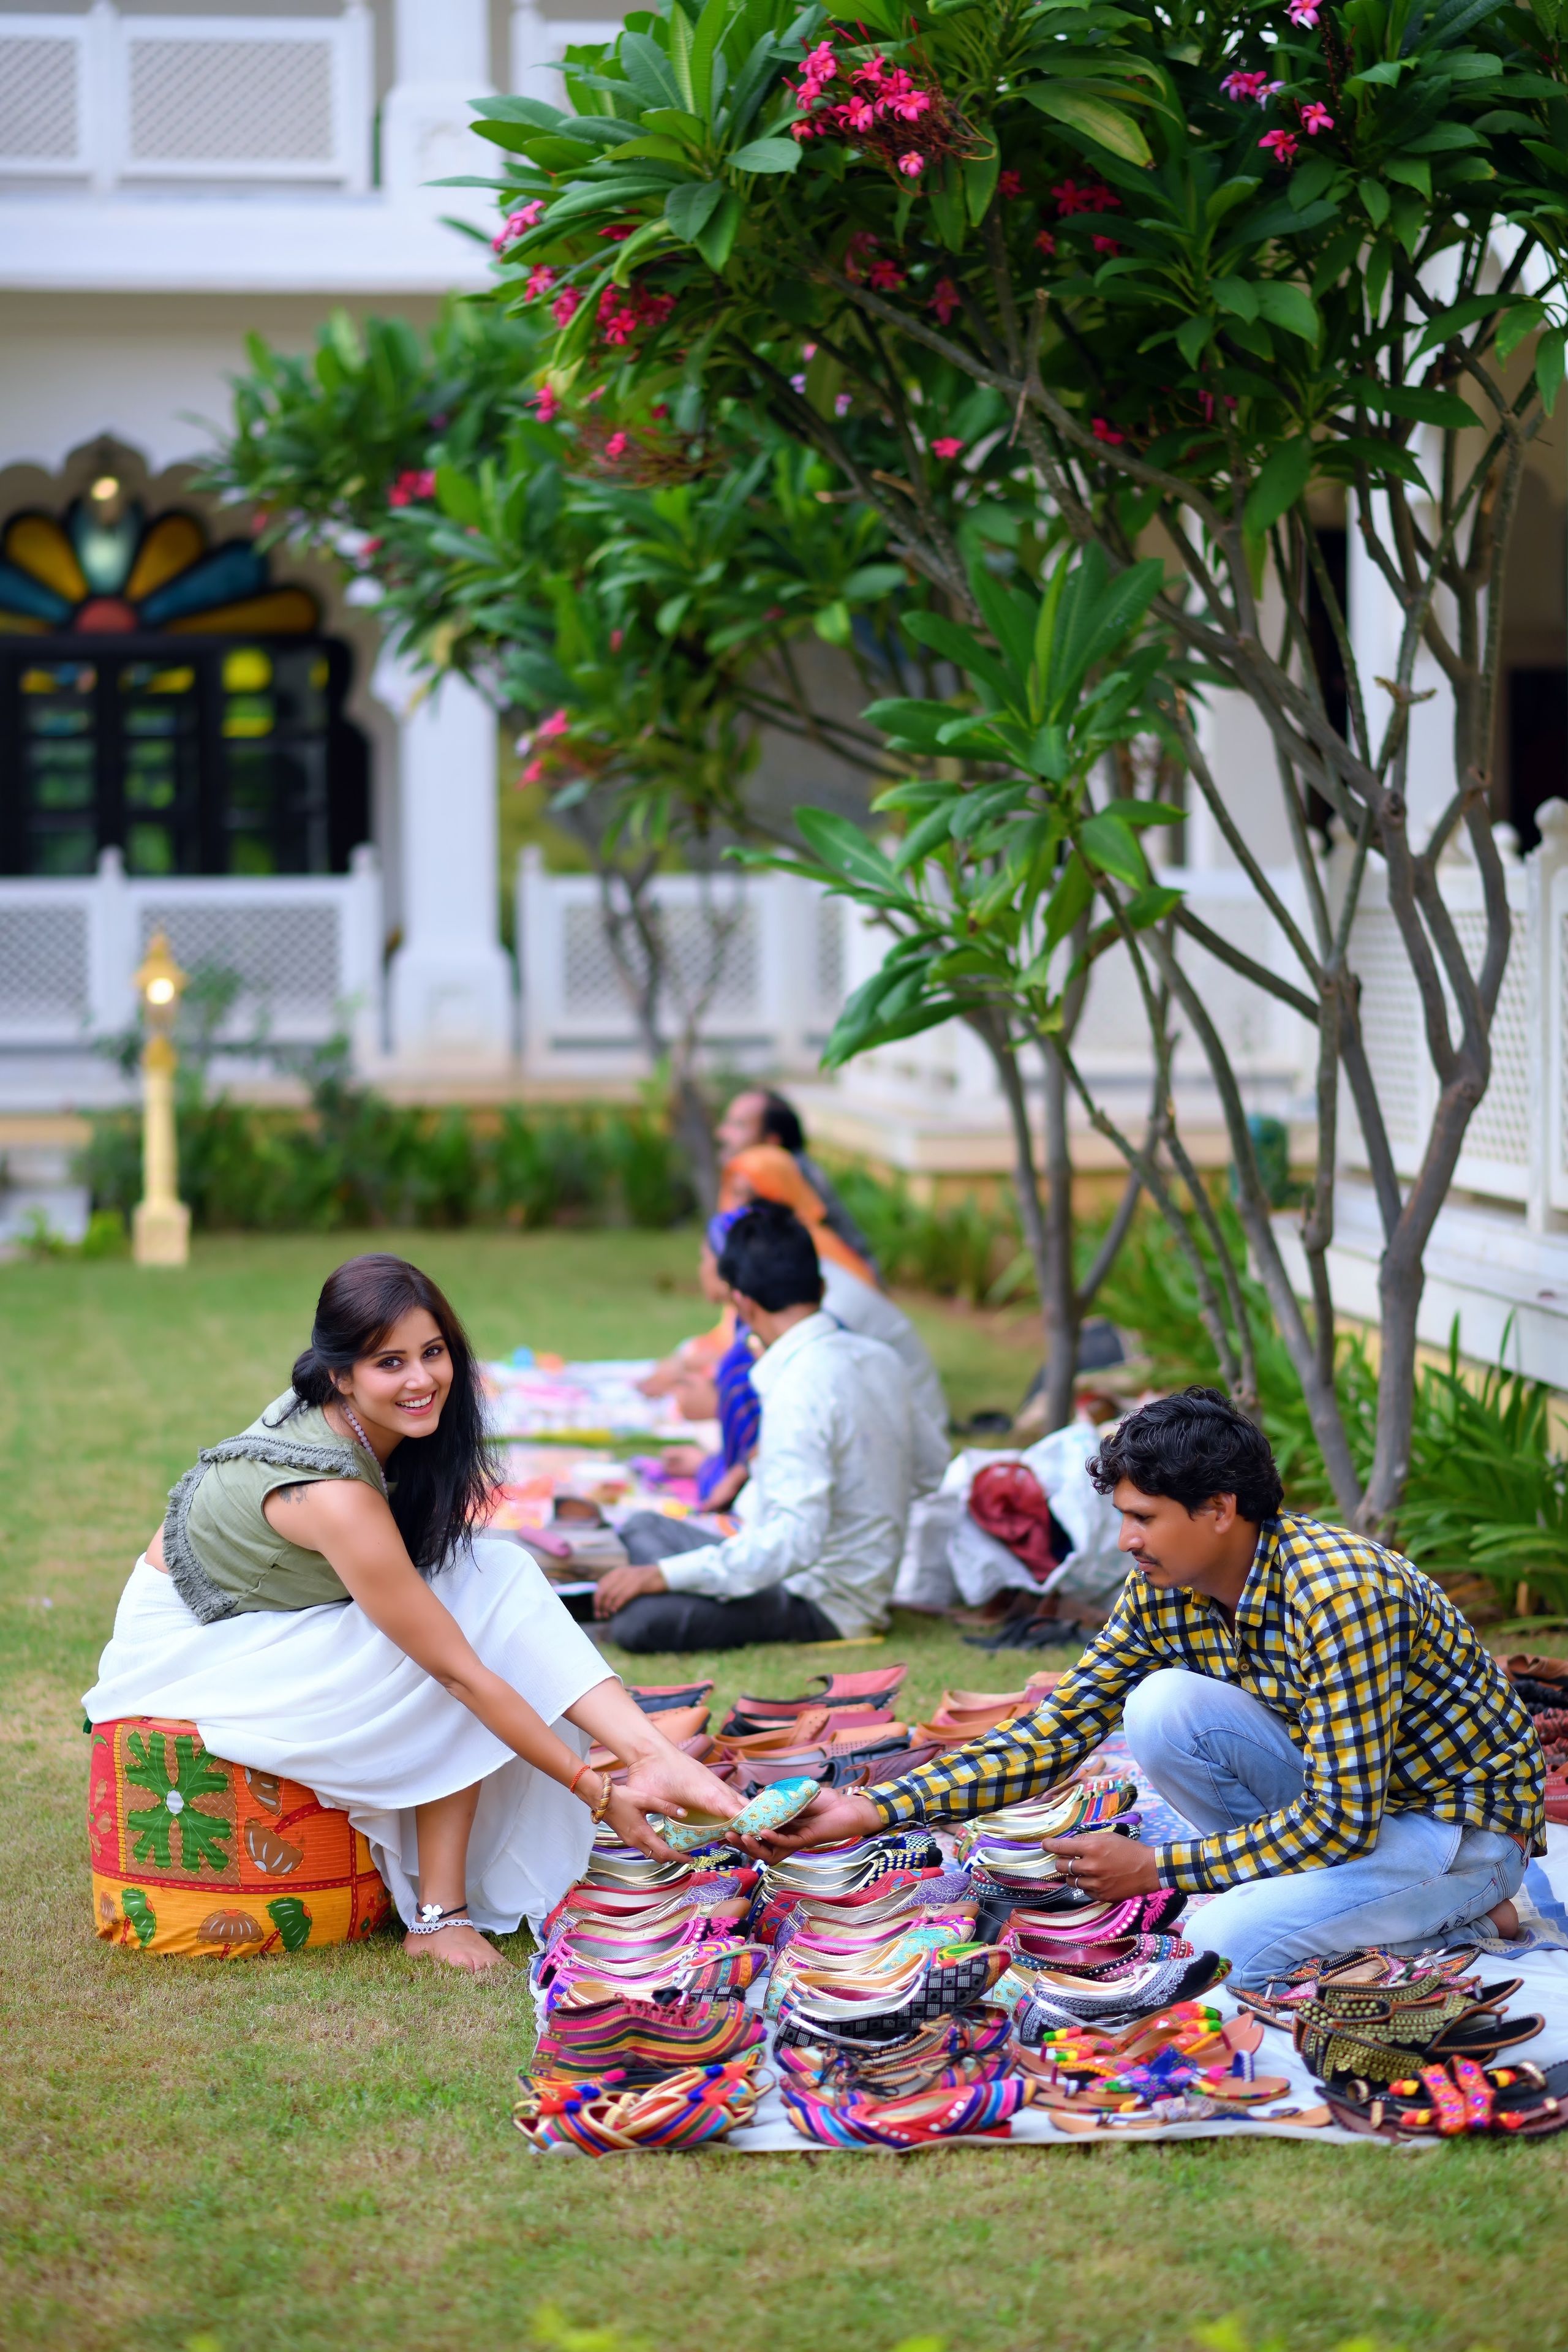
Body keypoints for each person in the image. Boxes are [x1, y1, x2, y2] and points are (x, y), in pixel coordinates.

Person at [750, 1387, 1544, 1988]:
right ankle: (1325, 1904)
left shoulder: (1339, 1597)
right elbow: (1050, 1735)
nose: (1127, 1541)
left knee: (1219, 1951)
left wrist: (1161, 1871)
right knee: (1159, 1706)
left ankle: (1475, 1908)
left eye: (1145, 1518)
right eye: (1123, 1517)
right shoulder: (1166, 1588)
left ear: (1221, 1510)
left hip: (1451, 1828)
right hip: (1356, 1809)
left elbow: (1338, 1823)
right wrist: (868, 1808)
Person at [83, 1253, 739, 1975]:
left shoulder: (360, 1425)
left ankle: (652, 1756)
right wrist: (594, 1791)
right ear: (340, 1375)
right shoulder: (335, 1494)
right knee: (462, 1631)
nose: (422, 1379)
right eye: (389, 1363)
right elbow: (457, 1674)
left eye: (432, 1353)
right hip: (195, 1653)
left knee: (491, 1571)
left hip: (263, 1621)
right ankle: (439, 1915)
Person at [595, 1203, 950, 1653]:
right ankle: (684, 1580)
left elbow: (794, 1543)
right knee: (643, 1526)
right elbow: (932, 1468)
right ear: (821, 1287)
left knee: (638, 1623)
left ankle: (673, 1584)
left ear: (742, 1301)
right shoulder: (880, 1359)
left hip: (818, 1600)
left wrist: (660, 1575)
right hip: (809, 1568)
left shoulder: (798, 1387)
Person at [715, 1086, 879, 1275]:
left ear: (772, 1142)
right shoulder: (777, 1176)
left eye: (739, 1125)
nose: (722, 1133)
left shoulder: (786, 1175)